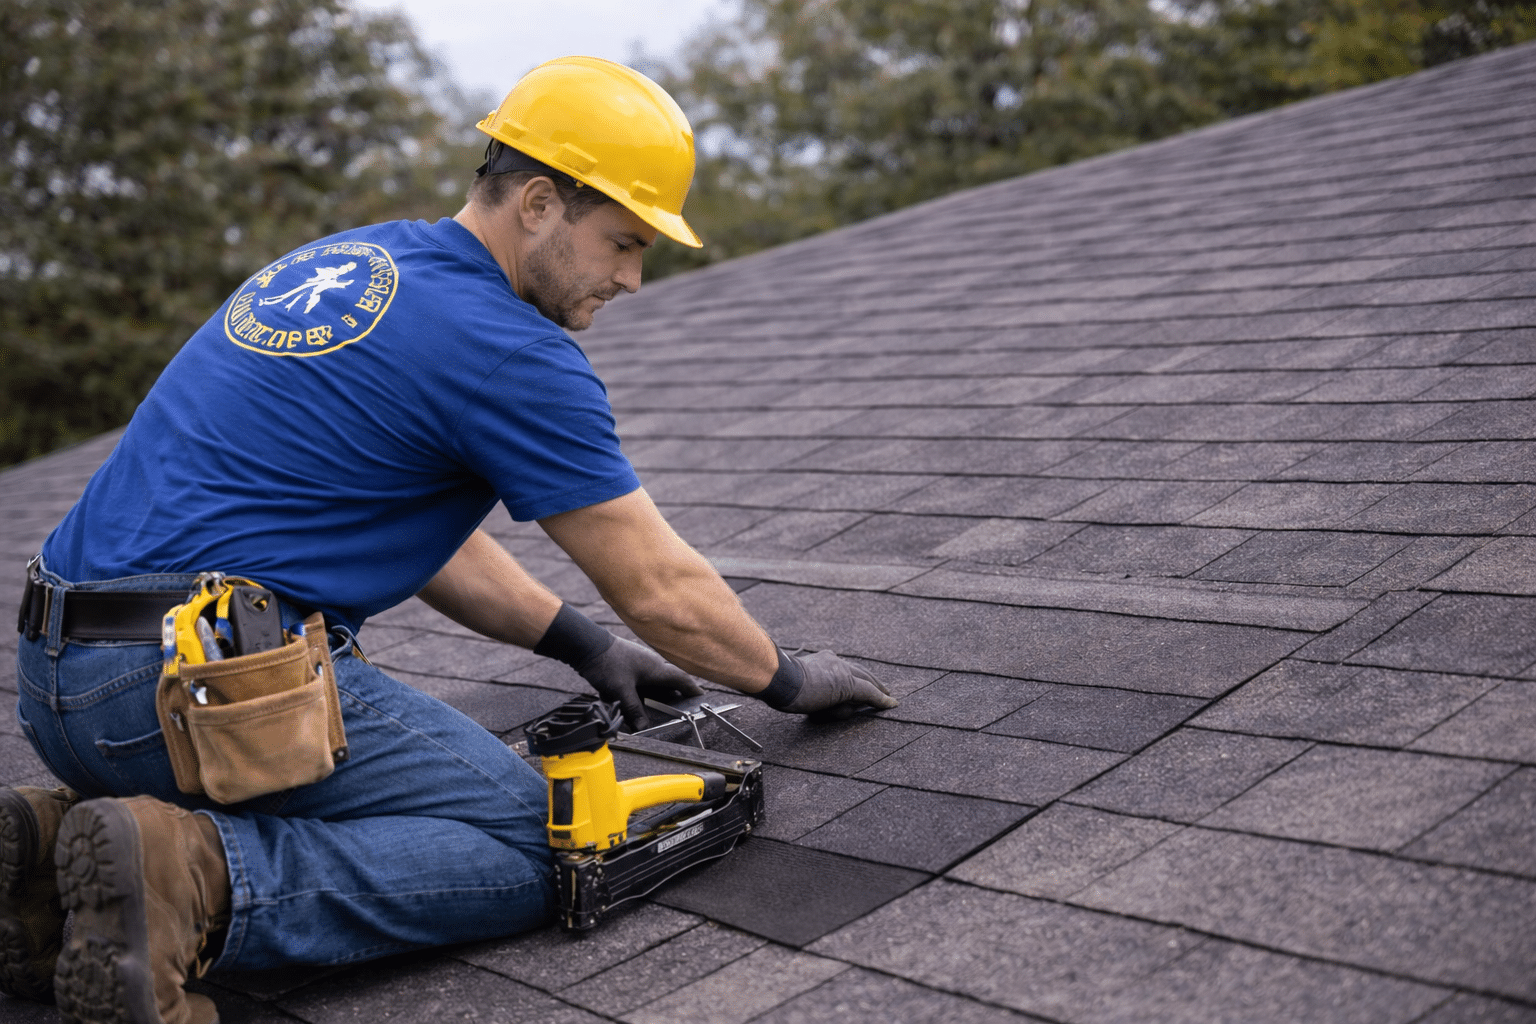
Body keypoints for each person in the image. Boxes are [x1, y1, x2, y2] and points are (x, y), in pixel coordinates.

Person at [3, 56, 896, 1024]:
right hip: (197, 695)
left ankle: (53, 865)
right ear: (540, 203)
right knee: (548, 845)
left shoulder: (353, 262)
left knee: (409, 800)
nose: (633, 279)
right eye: (623, 243)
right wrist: (788, 681)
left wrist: (585, 646)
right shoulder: (510, 348)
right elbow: (658, 585)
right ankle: (196, 876)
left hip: (57, 686)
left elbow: (414, 528)